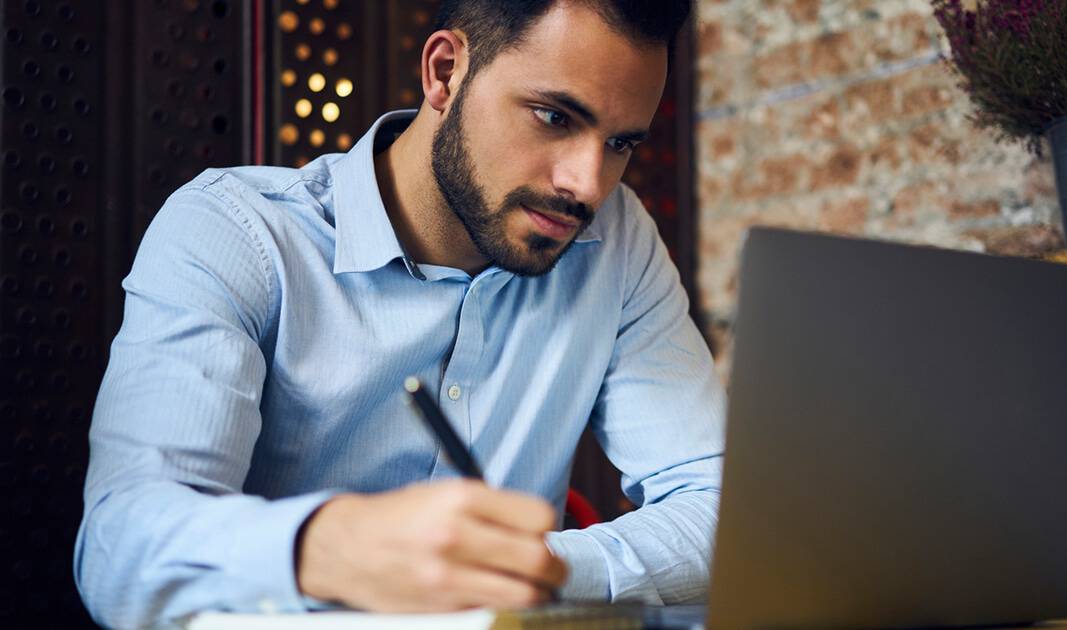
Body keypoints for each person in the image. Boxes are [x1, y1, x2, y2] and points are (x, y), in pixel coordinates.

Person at [74, 0, 724, 627]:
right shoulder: (238, 233)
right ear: (445, 73)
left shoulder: (615, 240)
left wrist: (527, 569)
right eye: (554, 118)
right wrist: (322, 550)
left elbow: (720, 509)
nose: (587, 183)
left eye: (621, 144)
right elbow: (119, 551)